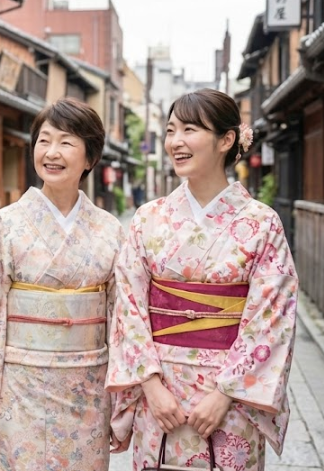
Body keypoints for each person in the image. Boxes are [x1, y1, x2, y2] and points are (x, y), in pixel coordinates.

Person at [106, 88, 298, 470]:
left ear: (227, 139)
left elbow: (271, 319)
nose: (176, 142)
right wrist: (151, 387)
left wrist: (225, 394)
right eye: (171, 130)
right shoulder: (148, 218)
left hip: (231, 396)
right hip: (160, 391)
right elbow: (127, 306)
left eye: (190, 130)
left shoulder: (261, 223)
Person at [0, 98, 129, 471]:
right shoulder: (7, 224)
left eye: (66, 142)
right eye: (44, 141)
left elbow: (124, 321)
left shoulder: (110, 230)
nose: (52, 153)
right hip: (19, 388)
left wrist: (123, 403)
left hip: (88, 388)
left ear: (90, 158)